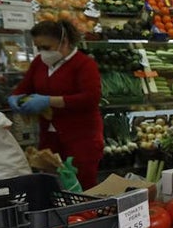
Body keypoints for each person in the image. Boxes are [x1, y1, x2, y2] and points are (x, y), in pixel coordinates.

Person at [8, 19, 103, 189]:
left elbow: (90, 98)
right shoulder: (39, 64)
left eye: (46, 48)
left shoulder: (84, 64)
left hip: (81, 138)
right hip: (49, 138)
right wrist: (15, 98)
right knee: (51, 185)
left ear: (64, 42)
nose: (42, 53)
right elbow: (24, 87)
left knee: (82, 185)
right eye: (38, 48)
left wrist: (49, 101)